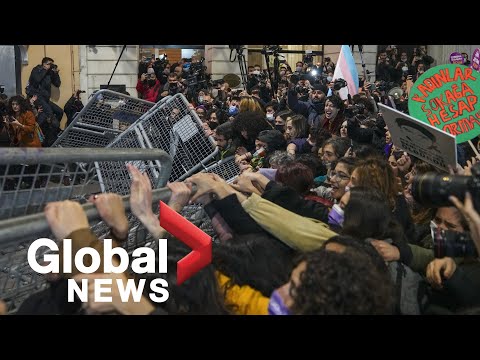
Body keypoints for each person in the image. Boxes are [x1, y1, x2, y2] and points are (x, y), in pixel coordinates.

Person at [26, 57, 63, 129]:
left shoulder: (49, 73)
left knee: (59, 111)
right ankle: (36, 132)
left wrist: (55, 74)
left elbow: (57, 84)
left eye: (51, 64)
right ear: (43, 64)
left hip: (45, 99)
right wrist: (45, 70)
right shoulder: (36, 70)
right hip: (36, 97)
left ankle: (54, 131)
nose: (50, 66)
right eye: (49, 64)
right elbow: (37, 80)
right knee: (48, 112)